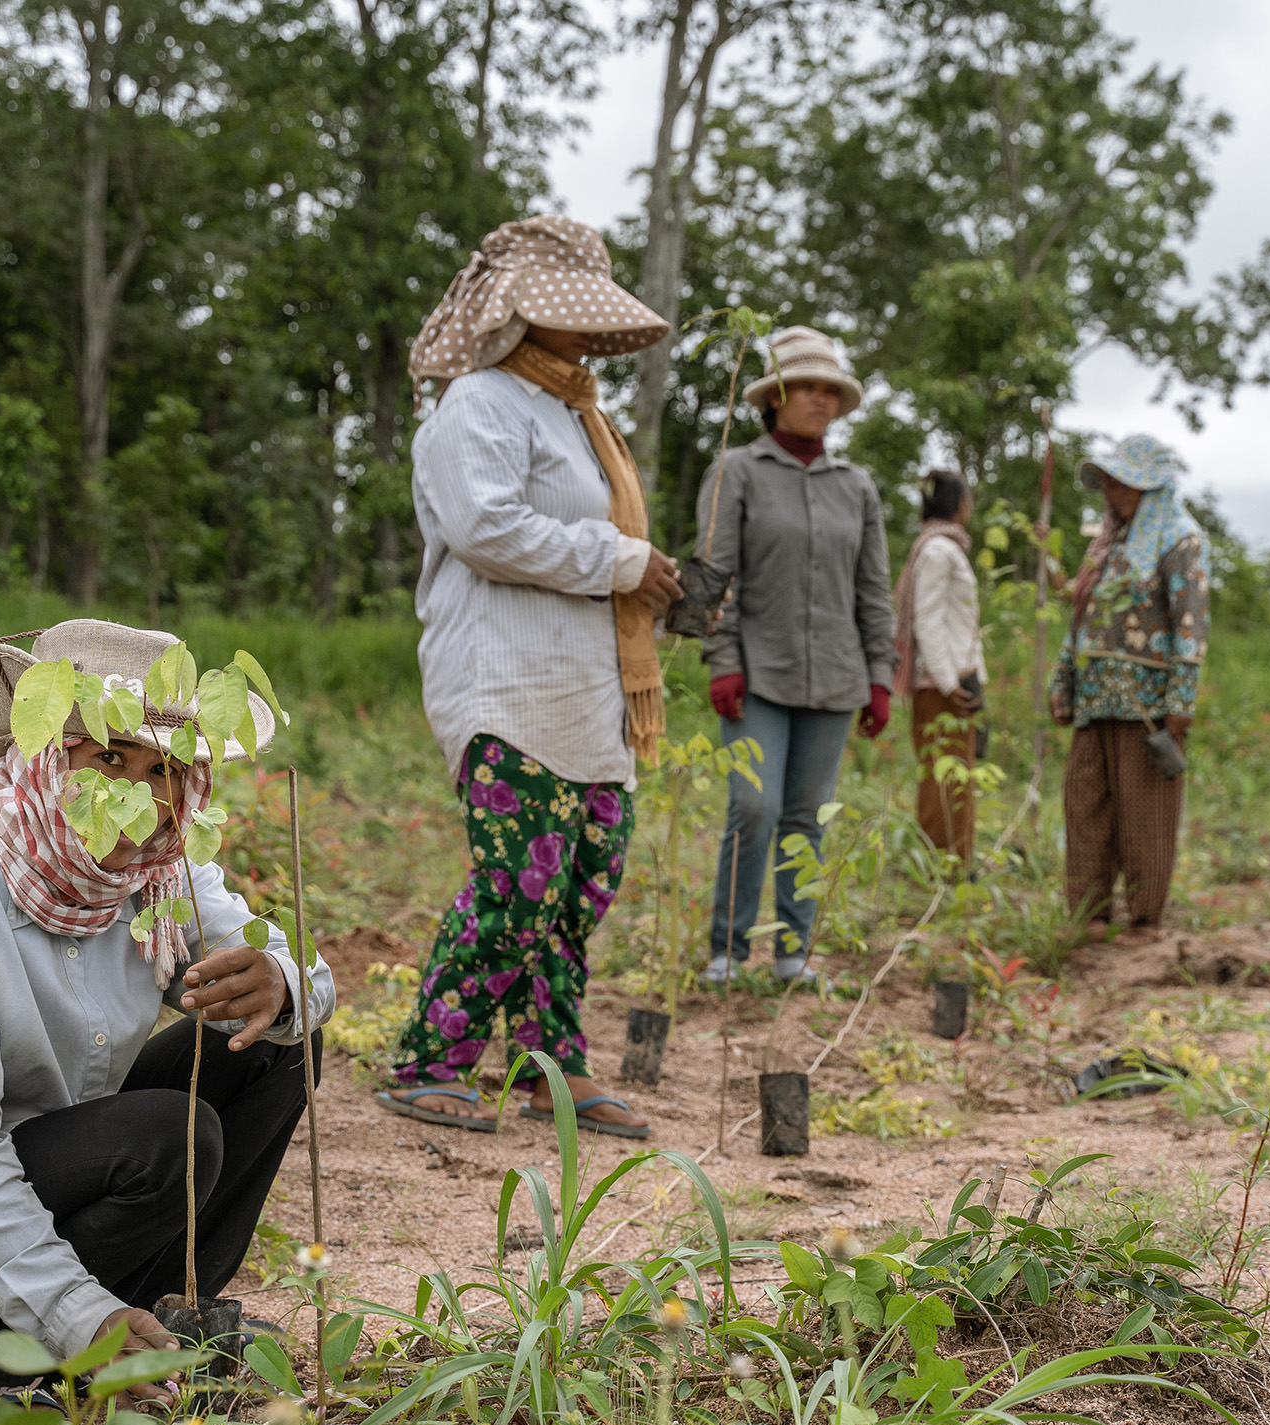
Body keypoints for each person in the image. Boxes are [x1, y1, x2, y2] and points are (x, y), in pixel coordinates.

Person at [0, 619, 338, 1393]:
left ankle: (167, 1312)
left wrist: (281, 983)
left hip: (52, 1179)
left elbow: (297, 973)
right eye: (111, 758)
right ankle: (17, 1356)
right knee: (166, 1138)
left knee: (279, 1039)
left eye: (165, 769)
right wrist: (80, 1318)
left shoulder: (159, 877)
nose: (141, 798)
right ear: (47, 758)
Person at [380, 215, 678, 1141]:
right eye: (570, 313)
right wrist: (625, 560)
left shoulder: (576, 413)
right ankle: (435, 1056)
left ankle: (554, 1058)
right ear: (517, 314)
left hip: (587, 688)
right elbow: (485, 529)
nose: (587, 332)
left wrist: (634, 571)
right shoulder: (477, 404)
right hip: (507, 682)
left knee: (585, 878)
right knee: (516, 883)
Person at [698, 327, 895, 985]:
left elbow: (873, 591)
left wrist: (880, 677)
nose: (820, 399)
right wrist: (721, 659)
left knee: (805, 817)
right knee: (753, 808)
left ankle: (792, 951)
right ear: (775, 396)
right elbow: (714, 576)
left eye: (830, 390)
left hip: (836, 678)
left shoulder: (855, 487)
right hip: (757, 674)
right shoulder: (739, 472)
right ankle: (728, 949)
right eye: (807, 387)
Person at [1048, 435, 1211, 931]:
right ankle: (1088, 914)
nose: (1111, 492)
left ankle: (1143, 919)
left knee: (1145, 815)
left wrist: (1180, 702)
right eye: (1108, 482)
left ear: (1151, 488)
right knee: (1086, 802)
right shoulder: (1107, 545)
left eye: (1122, 483)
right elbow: (1083, 620)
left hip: (1147, 704)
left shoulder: (1180, 541)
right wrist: (1064, 681)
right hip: (1096, 699)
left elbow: (1191, 626)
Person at [893, 469, 985, 865]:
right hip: (941, 685)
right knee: (943, 775)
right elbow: (926, 620)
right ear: (960, 505)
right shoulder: (937, 551)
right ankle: (943, 865)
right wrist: (949, 682)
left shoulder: (943, 548)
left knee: (956, 773)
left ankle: (956, 859)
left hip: (955, 680)